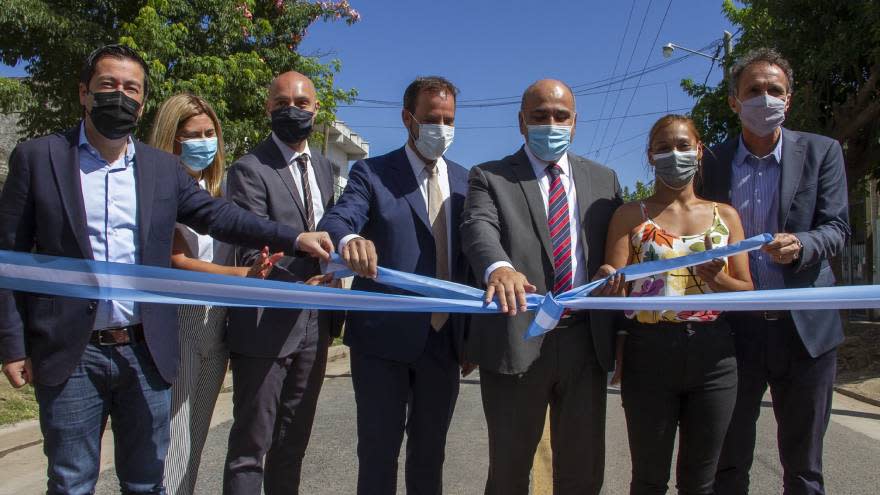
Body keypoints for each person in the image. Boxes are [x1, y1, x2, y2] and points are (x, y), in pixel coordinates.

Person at [0, 44, 332, 495]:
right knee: (71, 479)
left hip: (146, 349)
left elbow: (220, 217)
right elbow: (10, 257)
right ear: (84, 93)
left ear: (142, 100)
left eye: (131, 88)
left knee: (146, 480)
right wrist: (13, 345)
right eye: (108, 86)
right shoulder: (38, 157)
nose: (120, 96)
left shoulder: (161, 169)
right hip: (72, 351)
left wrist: (293, 238)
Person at [460, 79, 622, 494]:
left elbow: (619, 247)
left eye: (560, 116)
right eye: (539, 116)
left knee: (583, 472)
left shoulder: (604, 180)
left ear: (574, 122)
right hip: (518, 335)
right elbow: (478, 227)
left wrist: (613, 269)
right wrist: (499, 267)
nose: (551, 124)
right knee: (511, 472)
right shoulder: (490, 177)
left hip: (585, 342)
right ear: (521, 122)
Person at [700, 48, 850, 495]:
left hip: (805, 331)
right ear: (734, 101)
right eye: (753, 91)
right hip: (733, 333)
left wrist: (803, 244)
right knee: (728, 461)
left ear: (790, 98)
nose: (764, 98)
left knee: (804, 469)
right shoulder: (711, 161)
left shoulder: (823, 152)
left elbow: (838, 227)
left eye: (774, 90)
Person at [319, 76, 470, 495]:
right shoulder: (372, 173)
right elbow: (336, 220)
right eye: (432, 119)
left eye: (449, 120)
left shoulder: (465, 181)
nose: (442, 129)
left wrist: (471, 338)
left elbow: (474, 257)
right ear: (408, 119)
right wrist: (349, 240)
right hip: (382, 344)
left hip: (443, 343)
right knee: (378, 454)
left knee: (430, 456)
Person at [601, 114, 753, 494]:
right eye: (664, 148)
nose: (675, 154)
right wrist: (609, 281)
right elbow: (614, 291)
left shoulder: (726, 216)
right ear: (650, 156)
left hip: (714, 355)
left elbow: (747, 291)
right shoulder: (629, 216)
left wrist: (717, 280)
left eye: (683, 146)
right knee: (649, 479)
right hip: (648, 353)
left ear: (699, 151)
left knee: (700, 481)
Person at [148, 93, 285, 495]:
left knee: (194, 440)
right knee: (170, 441)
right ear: (170, 139)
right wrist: (241, 273)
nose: (204, 143)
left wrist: (258, 269)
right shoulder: (158, 190)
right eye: (192, 135)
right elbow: (176, 260)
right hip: (178, 320)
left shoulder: (218, 193)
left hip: (217, 323)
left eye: (210, 133)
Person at [222, 70, 342, 495]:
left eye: (302, 103)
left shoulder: (325, 168)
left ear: (317, 109)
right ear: (267, 109)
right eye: (282, 103)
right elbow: (251, 248)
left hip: (316, 324)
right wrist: (287, 282)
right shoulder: (248, 170)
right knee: (250, 449)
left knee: (292, 446)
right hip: (264, 325)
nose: (293, 111)